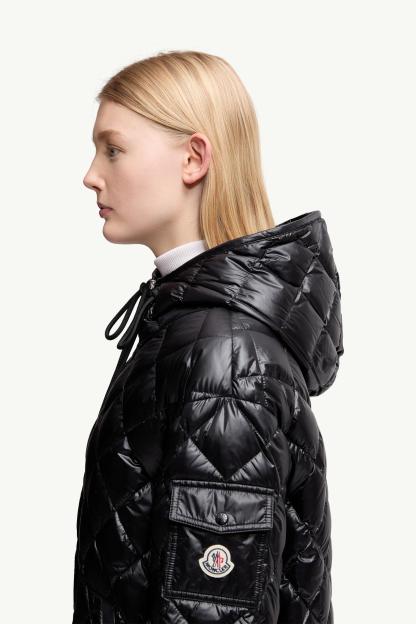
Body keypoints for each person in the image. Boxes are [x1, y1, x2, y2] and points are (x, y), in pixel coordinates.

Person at [75, 50, 344, 624]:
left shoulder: (226, 360)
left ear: (194, 159)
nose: (91, 175)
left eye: (113, 149)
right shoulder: (193, 329)